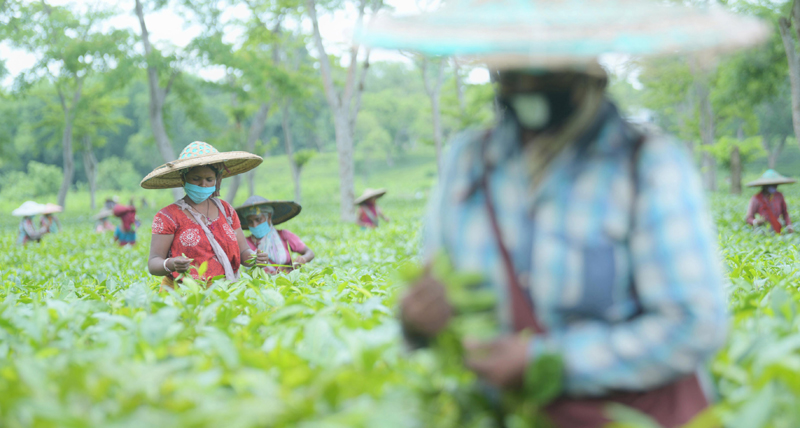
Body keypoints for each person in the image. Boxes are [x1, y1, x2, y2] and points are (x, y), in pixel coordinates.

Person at [357, 1, 767, 427]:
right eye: (512, 71)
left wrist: (548, 361)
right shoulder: (469, 163)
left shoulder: (646, 166)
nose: (525, 85)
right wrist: (419, 322)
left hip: (628, 416)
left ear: (587, 73)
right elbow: (440, 287)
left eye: (544, 69)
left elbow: (693, 324)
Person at [141, 141, 266, 287]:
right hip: (184, 295)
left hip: (225, 292)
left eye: (209, 179)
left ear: (217, 180)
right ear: (183, 178)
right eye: (196, 179)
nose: (203, 184)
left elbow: (243, 250)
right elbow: (154, 262)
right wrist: (171, 263)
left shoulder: (227, 211)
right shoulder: (168, 216)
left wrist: (255, 258)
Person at [235, 196, 314, 274]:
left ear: (269, 217)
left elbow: (310, 253)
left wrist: (303, 259)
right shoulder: (245, 244)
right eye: (250, 222)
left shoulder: (284, 235)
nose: (255, 225)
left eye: (258, 220)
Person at [745, 169, 795, 234]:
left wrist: (789, 225)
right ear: (764, 186)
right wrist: (756, 221)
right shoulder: (756, 198)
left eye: (776, 184)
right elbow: (749, 218)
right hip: (762, 230)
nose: (774, 187)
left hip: (777, 228)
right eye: (771, 185)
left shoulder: (779, 196)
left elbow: (785, 213)